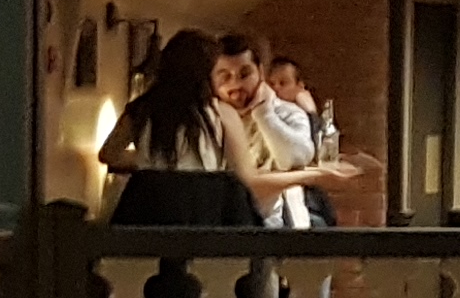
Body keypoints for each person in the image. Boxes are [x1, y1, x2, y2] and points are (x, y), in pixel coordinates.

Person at [103, 28, 347, 227]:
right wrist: (316, 176)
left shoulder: (140, 109)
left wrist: (152, 162)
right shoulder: (220, 113)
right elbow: (247, 180)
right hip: (202, 216)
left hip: (146, 215)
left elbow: (108, 154)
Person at [253, 55, 340, 229]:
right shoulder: (259, 115)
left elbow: (314, 155)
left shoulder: (303, 116)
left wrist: (311, 116)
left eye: (283, 83)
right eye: (271, 83)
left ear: (300, 87)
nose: (276, 89)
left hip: (307, 199)